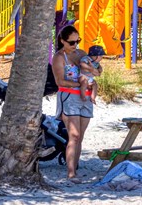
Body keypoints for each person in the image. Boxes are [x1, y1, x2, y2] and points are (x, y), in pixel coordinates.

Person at [52, 25, 92, 181]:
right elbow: (60, 81)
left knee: (80, 137)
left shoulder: (81, 54)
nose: (75, 45)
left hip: (85, 98)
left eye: (78, 41)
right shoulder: (59, 58)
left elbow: (94, 69)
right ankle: (70, 173)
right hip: (69, 97)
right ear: (62, 41)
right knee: (73, 135)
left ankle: (75, 167)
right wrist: (80, 85)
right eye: (71, 42)